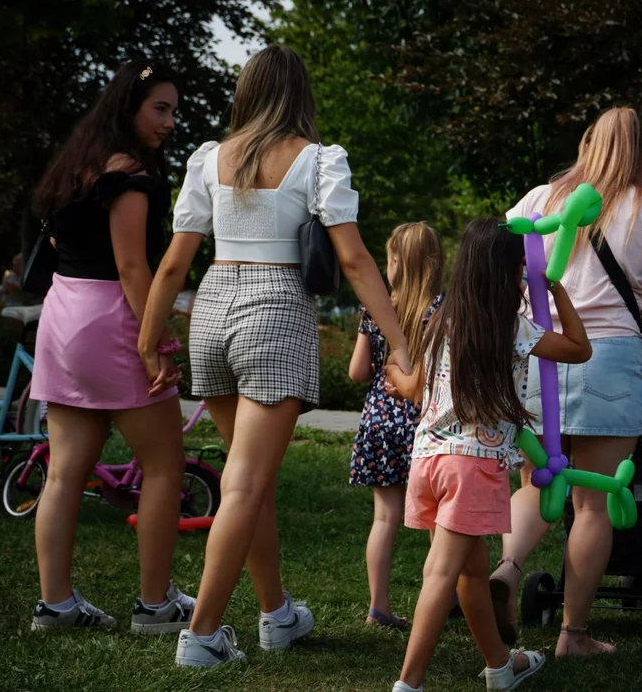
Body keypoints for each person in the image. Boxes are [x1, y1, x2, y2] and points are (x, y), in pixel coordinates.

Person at [136, 45, 412, 668]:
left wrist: (151, 338)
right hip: (273, 311)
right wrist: (400, 342)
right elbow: (354, 258)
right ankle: (203, 636)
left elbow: (176, 261)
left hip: (211, 309)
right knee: (247, 482)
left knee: (245, 479)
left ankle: (276, 615)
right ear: (299, 95)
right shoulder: (317, 161)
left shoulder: (210, 158)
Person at [489, 107, 642, 655]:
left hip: (539, 354)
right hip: (609, 358)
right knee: (592, 504)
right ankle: (573, 634)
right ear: (640, 153)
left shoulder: (541, 199)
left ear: (587, 144)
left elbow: (503, 256)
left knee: (536, 483)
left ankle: (508, 570)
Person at [384, 217, 591, 692]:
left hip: (429, 461)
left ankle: (500, 667)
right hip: (473, 466)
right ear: (512, 270)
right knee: (441, 572)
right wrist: (556, 291)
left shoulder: (443, 319)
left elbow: (416, 388)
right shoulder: (513, 327)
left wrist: (394, 373)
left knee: (472, 574)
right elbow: (580, 349)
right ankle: (408, 684)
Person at [27, 60, 192, 632]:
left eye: (174, 110)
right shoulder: (130, 176)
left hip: (63, 315)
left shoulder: (75, 171)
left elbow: (59, 246)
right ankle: (155, 604)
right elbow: (130, 266)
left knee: (64, 472)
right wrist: (157, 341)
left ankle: (56, 604)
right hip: (114, 320)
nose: (170, 121)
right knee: (165, 465)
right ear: (129, 107)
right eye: (160, 109)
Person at [348, 222, 444, 631]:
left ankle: (378, 607)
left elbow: (356, 372)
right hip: (424, 422)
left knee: (384, 519)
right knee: (437, 520)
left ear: (395, 263)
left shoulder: (376, 308)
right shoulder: (440, 309)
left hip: (379, 422)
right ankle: (443, 599)